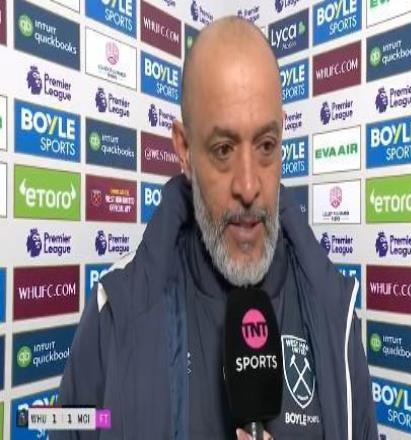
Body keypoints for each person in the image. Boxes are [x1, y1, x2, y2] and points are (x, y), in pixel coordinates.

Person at [54, 17, 378, 440]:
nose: (249, 186)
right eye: (223, 149)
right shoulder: (116, 311)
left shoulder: (336, 313)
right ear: (185, 149)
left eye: (266, 145)